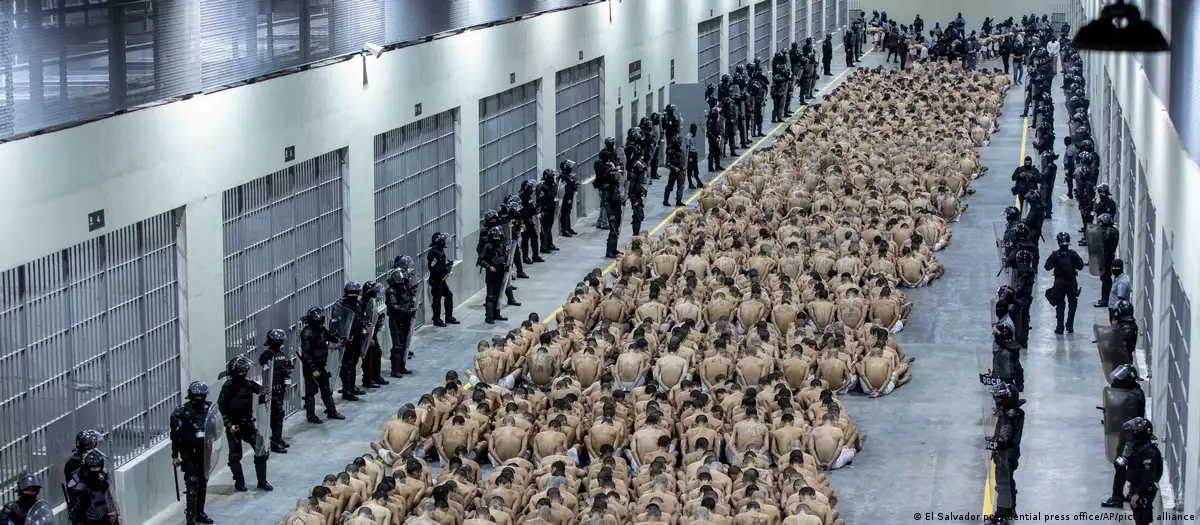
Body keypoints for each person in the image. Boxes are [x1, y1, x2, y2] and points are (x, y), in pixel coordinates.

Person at [216, 356, 272, 492]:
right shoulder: (228, 387)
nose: (243, 375)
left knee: (261, 451)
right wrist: (229, 425)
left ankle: (262, 482)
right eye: (241, 372)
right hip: (234, 427)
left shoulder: (248, 384)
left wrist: (267, 375)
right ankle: (240, 483)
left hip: (248, 425)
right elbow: (220, 409)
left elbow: (263, 390)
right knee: (235, 456)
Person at [1100, 364, 1146, 509]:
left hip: (1130, 438)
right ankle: (1131, 493)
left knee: (1120, 465)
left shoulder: (1132, 397)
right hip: (1132, 436)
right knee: (1133, 466)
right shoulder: (1135, 392)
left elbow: (1127, 419)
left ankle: (1116, 497)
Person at [171, 381, 216, 524]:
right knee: (192, 483)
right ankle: (190, 516)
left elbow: (215, 427)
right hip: (189, 452)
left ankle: (200, 512)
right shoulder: (180, 413)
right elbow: (175, 436)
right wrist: (175, 456)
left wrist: (211, 439)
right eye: (196, 396)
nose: (199, 399)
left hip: (205, 453)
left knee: (203, 483)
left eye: (201, 396)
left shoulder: (210, 409)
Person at [298, 307, 345, 423]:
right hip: (311, 367)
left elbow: (327, 335)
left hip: (321, 365)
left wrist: (337, 339)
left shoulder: (320, 329)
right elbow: (306, 354)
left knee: (325, 389)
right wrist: (313, 369)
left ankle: (332, 411)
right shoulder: (307, 333)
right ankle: (311, 416)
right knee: (311, 392)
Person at [987, 383, 1024, 525]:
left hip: (1005, 456)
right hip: (1011, 455)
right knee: (1009, 482)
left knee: (1003, 483)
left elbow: (1005, 438)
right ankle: (1010, 509)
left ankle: (1001, 515)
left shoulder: (1009, 416)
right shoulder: (1014, 411)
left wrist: (995, 442)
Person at [1119, 417, 1162, 525]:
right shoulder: (1139, 449)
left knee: (1142, 520)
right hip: (1137, 488)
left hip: (1143, 492)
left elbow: (1149, 477)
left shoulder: (1149, 453)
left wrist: (1138, 494)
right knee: (1138, 518)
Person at [256, 328, 292, 453]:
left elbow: (282, 365)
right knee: (276, 415)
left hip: (280, 388)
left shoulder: (280, 353)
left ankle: (277, 437)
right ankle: (275, 441)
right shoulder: (268, 354)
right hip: (272, 389)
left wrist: (287, 366)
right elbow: (266, 367)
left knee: (279, 415)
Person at [1043, 232, 1084, 334]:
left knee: (1060, 304)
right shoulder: (1073, 254)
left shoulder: (1055, 255)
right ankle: (1070, 325)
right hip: (1071, 283)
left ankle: (1059, 327)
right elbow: (1081, 266)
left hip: (1059, 284)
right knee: (1073, 303)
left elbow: (1047, 267)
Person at [386, 259, 418, 377]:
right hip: (396, 321)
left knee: (405, 344)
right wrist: (407, 310)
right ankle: (395, 370)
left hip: (406, 320)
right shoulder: (391, 291)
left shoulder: (404, 288)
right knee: (397, 346)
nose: (402, 280)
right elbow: (394, 307)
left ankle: (402, 367)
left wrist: (411, 308)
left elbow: (409, 300)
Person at [67, 450, 116, 525]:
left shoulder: (104, 483)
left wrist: (115, 513)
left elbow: (112, 502)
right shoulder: (79, 481)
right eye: (93, 468)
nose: (96, 470)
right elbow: (71, 486)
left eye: (98, 468)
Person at [337, 282, 368, 399]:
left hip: (357, 337)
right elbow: (337, 323)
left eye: (356, 293)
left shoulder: (358, 304)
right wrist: (341, 338)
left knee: (354, 363)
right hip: (347, 339)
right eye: (352, 293)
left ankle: (352, 386)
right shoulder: (341, 306)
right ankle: (346, 390)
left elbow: (361, 318)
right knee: (347, 365)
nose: (354, 295)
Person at [358, 280, 387, 388]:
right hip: (366, 334)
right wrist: (367, 337)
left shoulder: (371, 301)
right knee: (368, 356)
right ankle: (367, 379)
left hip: (372, 332)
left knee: (377, 353)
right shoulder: (362, 304)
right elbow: (363, 320)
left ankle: (376, 376)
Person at [479, 226, 510, 324]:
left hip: (501, 273)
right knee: (491, 296)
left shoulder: (501, 246)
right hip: (492, 275)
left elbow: (504, 258)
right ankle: (489, 317)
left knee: (498, 295)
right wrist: (489, 267)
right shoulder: (488, 246)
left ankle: (497, 314)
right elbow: (480, 260)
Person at [427, 232, 459, 327]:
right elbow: (433, 266)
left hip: (442, 279)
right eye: (443, 241)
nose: (444, 243)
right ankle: (436, 319)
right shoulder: (433, 252)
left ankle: (448, 316)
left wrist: (447, 267)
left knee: (449, 295)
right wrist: (445, 269)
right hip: (436, 280)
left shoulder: (441, 251)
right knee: (437, 300)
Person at [1094, 214, 1120, 308]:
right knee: (1106, 279)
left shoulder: (1108, 232)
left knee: (1105, 279)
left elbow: (1103, 243)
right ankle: (1105, 298)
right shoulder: (1114, 230)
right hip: (1108, 257)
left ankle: (1105, 300)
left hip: (1105, 258)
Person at [519, 179, 545, 261]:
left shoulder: (529, 198)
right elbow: (519, 212)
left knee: (534, 237)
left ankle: (535, 255)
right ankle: (525, 257)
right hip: (524, 222)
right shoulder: (521, 199)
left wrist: (537, 208)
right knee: (525, 240)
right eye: (530, 189)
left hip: (530, 221)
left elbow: (532, 209)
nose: (532, 191)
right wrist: (521, 222)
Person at [537, 170, 559, 252]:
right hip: (544, 211)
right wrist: (541, 210)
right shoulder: (542, 187)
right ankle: (543, 246)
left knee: (549, 227)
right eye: (551, 177)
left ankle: (550, 244)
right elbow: (540, 199)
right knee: (544, 229)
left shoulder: (553, 185)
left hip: (551, 209)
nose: (552, 179)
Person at [557, 160, 579, 237]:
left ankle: (568, 228)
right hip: (566, 198)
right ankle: (564, 229)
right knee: (565, 213)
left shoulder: (567, 176)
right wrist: (568, 198)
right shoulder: (563, 177)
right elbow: (565, 189)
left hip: (569, 196)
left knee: (568, 212)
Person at [662, 136, 685, 208]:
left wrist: (683, 167)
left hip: (681, 171)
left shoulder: (681, 151)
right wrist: (674, 168)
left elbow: (683, 160)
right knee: (669, 186)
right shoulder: (670, 151)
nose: (680, 143)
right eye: (679, 142)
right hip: (674, 171)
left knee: (681, 186)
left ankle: (678, 200)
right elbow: (667, 163)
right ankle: (665, 201)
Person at [685, 124, 704, 189]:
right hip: (690, 155)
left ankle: (698, 182)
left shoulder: (692, 136)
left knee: (696, 169)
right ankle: (690, 183)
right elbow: (687, 148)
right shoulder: (688, 137)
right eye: (694, 130)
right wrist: (688, 158)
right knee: (690, 170)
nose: (695, 131)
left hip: (694, 154)